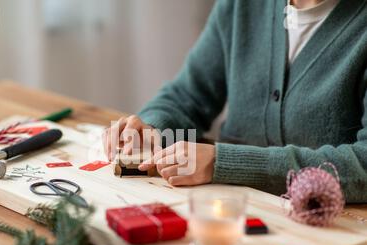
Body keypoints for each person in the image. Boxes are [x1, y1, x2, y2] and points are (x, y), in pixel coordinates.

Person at [102, 0, 367, 203]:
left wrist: (225, 163)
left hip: (331, 225)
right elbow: (187, 96)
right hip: (225, 208)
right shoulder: (240, 5)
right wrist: (151, 128)